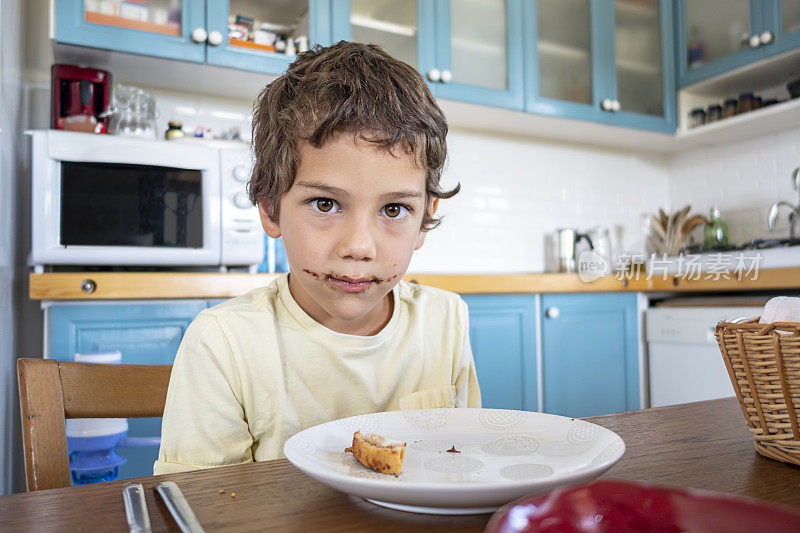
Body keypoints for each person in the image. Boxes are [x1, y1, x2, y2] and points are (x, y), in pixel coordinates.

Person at [154, 41, 481, 474]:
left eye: (394, 209)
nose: (359, 247)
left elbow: (462, 468)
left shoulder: (447, 321)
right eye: (325, 204)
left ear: (424, 220)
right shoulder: (225, 343)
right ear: (270, 209)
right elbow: (198, 504)